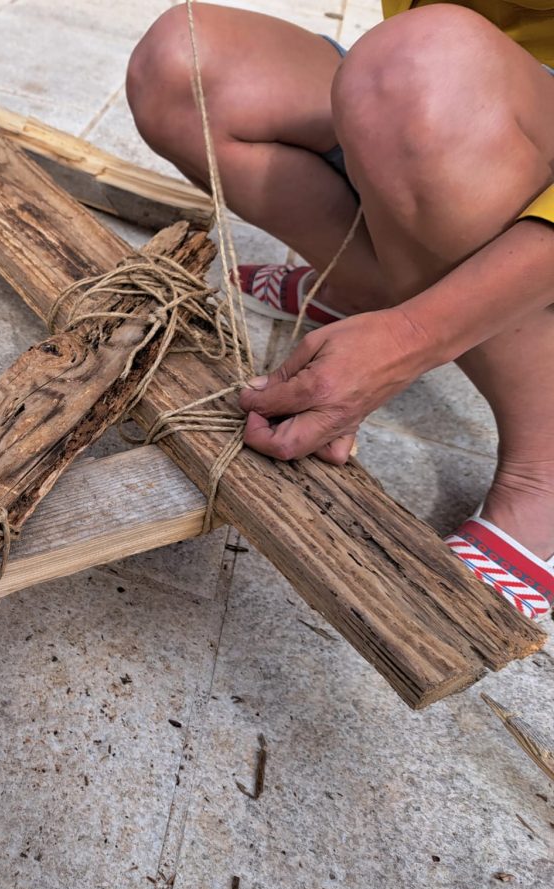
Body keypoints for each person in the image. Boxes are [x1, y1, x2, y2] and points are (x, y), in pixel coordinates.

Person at [126, 1, 554, 618]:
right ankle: (368, 292)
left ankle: (543, 462)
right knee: (180, 62)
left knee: (422, 65)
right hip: (461, 78)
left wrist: (410, 339)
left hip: (473, 91)